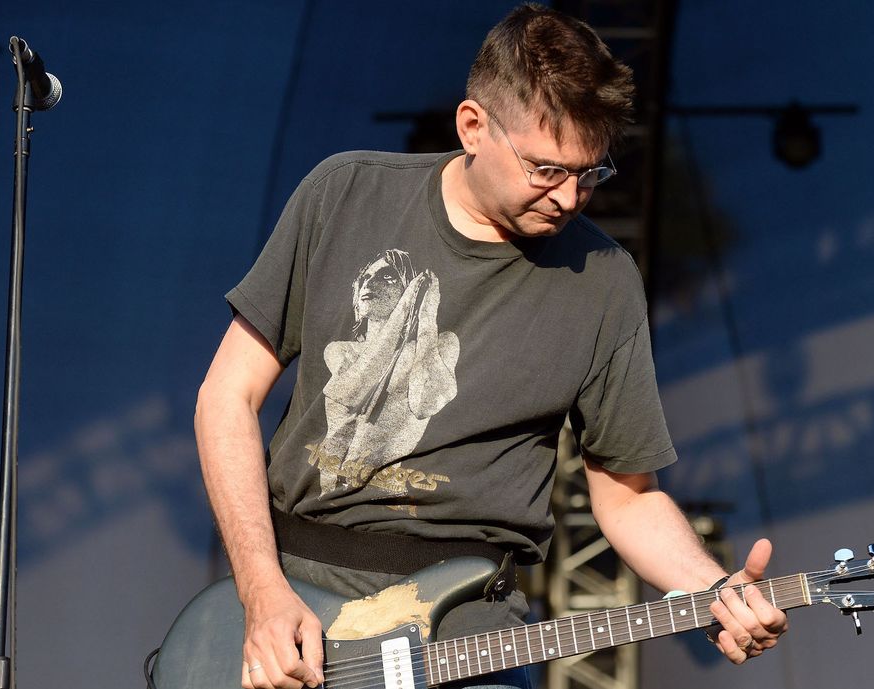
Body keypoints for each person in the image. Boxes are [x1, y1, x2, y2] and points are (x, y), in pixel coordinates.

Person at [195, 5, 788, 689]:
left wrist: (714, 587)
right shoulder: (344, 193)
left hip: (471, 625)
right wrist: (262, 592)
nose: (569, 197)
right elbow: (226, 397)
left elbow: (626, 496)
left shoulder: (605, 282)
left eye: (591, 173)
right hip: (297, 603)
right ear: (472, 126)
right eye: (546, 168)